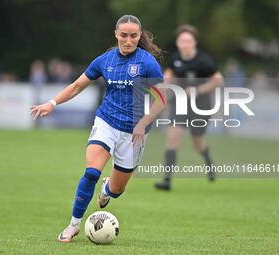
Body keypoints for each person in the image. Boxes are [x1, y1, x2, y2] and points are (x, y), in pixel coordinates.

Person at [31, 15, 165, 243]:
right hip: (107, 122)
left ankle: (107, 190)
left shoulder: (147, 62)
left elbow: (162, 99)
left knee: (117, 189)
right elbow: (76, 86)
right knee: (91, 171)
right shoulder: (105, 60)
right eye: (124, 35)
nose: (129, 40)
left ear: (139, 36)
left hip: (135, 132)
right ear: (116, 34)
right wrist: (51, 103)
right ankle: (73, 225)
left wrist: (143, 123)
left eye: (134, 36)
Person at [155, 25, 223, 191]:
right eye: (182, 40)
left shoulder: (204, 60)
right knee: (173, 138)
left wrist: (197, 90)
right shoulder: (175, 59)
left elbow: (218, 80)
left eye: (188, 40)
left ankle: (208, 161)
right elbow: (168, 77)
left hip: (201, 105)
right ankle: (167, 180)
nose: (185, 43)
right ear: (178, 43)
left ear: (194, 42)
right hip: (180, 104)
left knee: (197, 141)